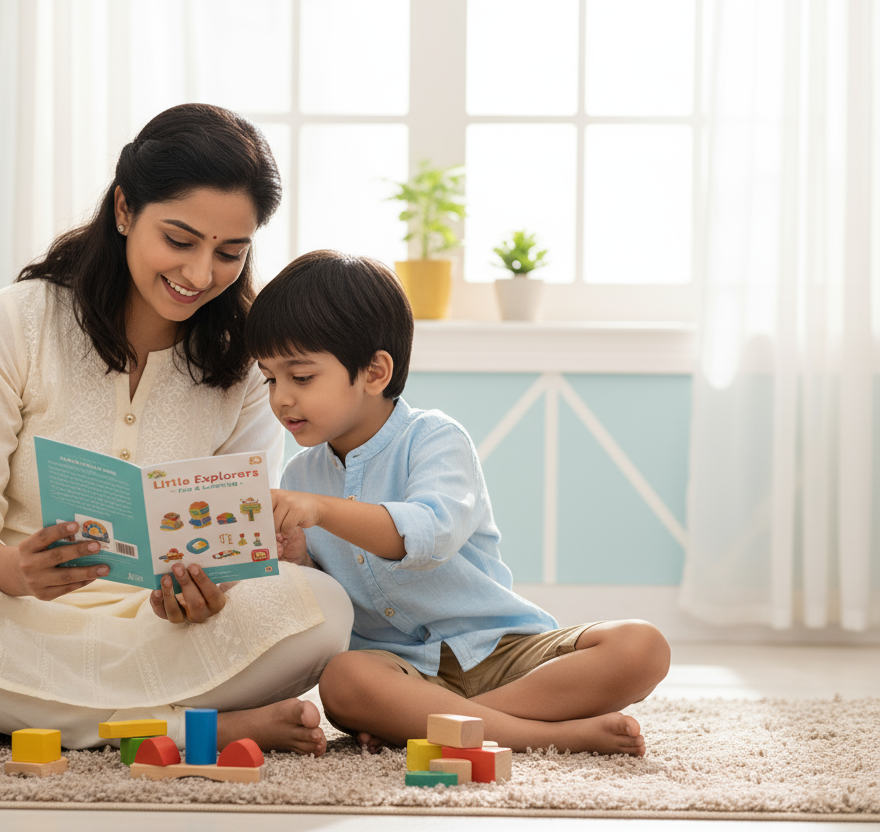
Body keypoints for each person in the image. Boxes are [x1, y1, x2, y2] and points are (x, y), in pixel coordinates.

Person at [0, 105, 353, 757]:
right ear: (125, 209)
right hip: (14, 615)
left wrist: (208, 593)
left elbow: (235, 546)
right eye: (180, 239)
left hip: (161, 634)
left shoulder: (248, 363)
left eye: (229, 252)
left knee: (324, 610)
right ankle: (185, 729)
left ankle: (8, 713)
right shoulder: (15, 324)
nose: (199, 275)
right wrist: (16, 572)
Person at [245, 250, 671, 756]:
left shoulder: (434, 439)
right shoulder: (301, 475)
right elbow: (327, 596)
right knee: (342, 682)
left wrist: (321, 511)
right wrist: (297, 557)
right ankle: (551, 735)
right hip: (401, 668)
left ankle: (452, 725)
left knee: (642, 647)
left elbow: (430, 532)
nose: (281, 399)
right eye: (271, 379)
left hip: (500, 648)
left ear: (376, 372)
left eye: (301, 377)